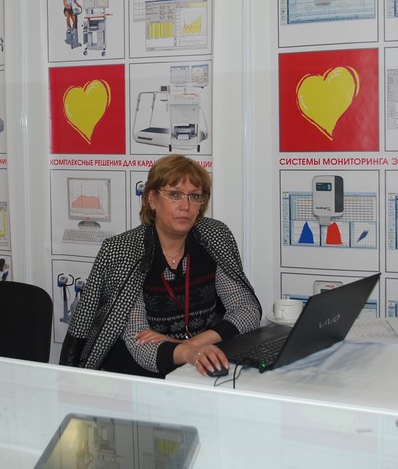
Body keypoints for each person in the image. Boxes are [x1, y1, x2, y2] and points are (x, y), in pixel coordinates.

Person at [60, 154, 261, 378]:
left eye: (194, 196)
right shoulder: (123, 251)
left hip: (202, 361)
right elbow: (138, 342)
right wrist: (189, 353)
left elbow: (247, 310)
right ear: (152, 199)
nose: (185, 206)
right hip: (139, 373)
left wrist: (192, 345)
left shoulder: (214, 236)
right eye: (174, 195)